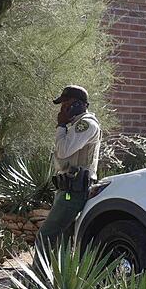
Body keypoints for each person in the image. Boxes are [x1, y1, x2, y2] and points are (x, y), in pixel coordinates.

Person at [36, 85, 101, 254]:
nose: (62, 108)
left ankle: (36, 279)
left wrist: (61, 126)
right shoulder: (75, 125)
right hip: (67, 188)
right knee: (62, 242)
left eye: (65, 103)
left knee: (46, 236)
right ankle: (58, 279)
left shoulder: (86, 124)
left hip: (74, 191)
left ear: (78, 104)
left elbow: (64, 150)